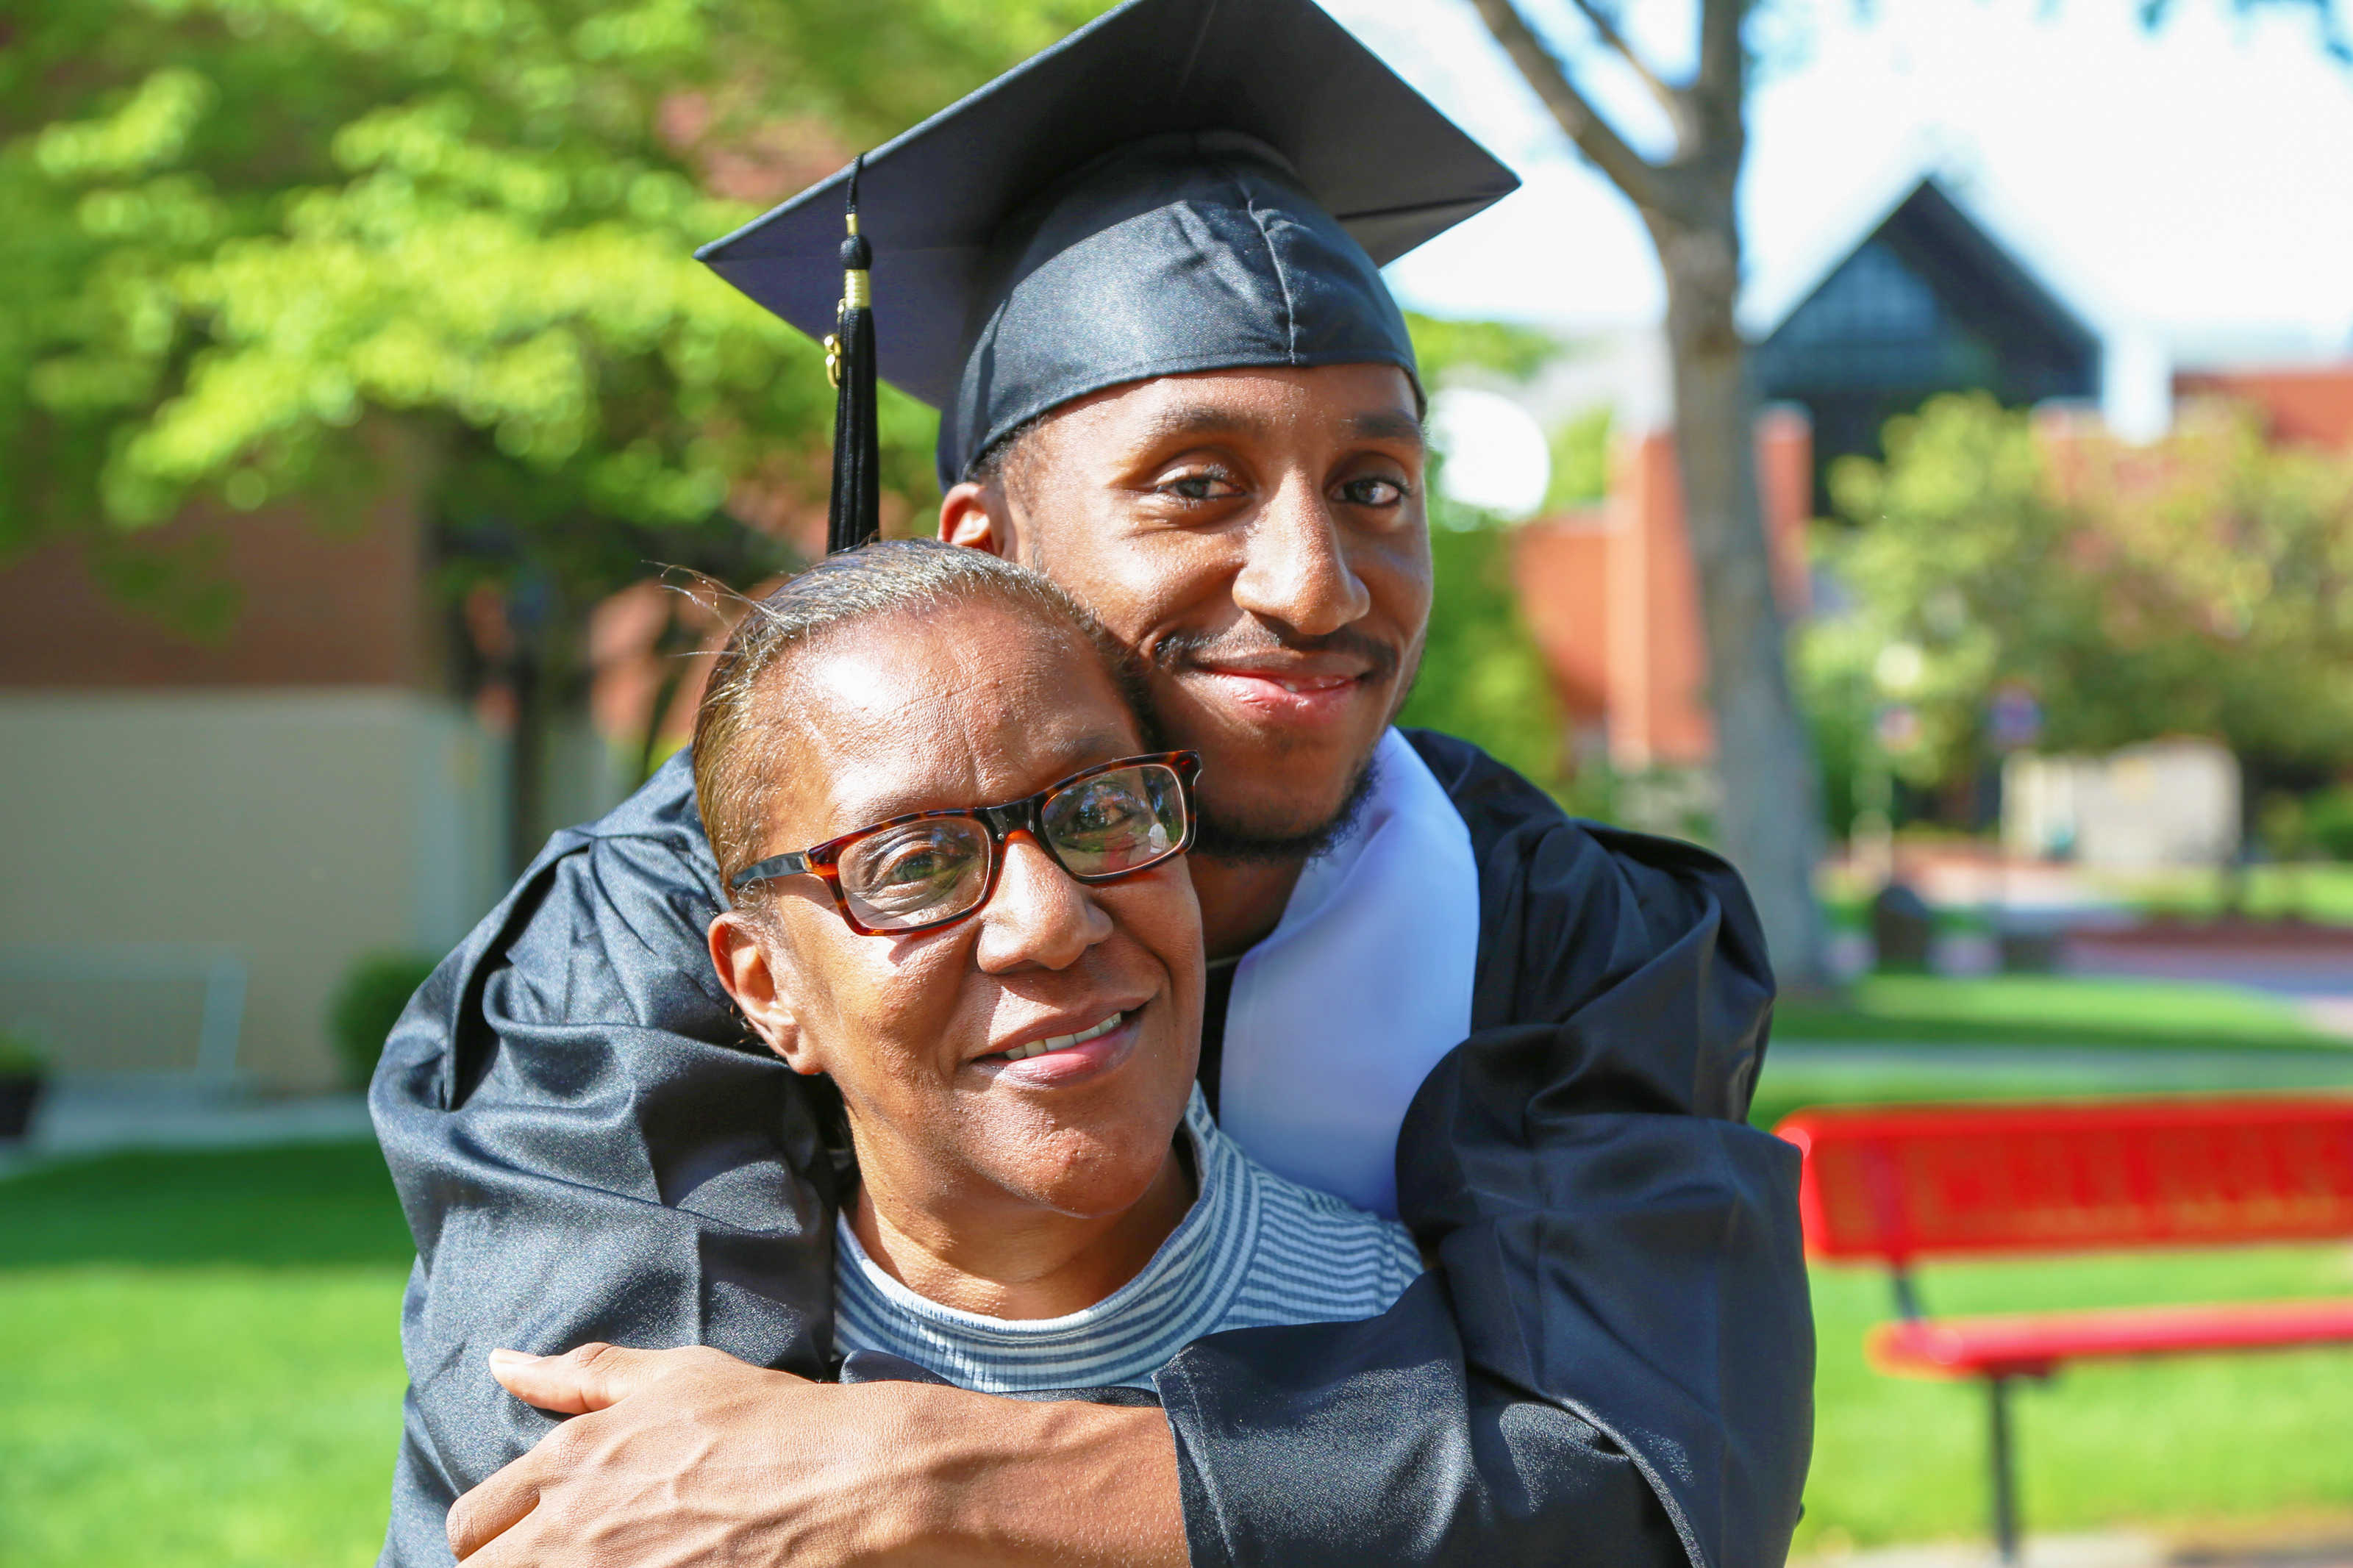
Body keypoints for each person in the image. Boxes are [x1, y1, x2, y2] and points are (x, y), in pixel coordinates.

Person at [372, 0, 1813, 1564]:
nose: (1318, 585)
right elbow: (612, 1497)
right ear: (979, 549)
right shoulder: (670, 914)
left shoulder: (1554, 927)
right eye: (1197, 485)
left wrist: (925, 1469)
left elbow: (1647, 1496)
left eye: (1375, 485)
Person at [693, 541, 1421, 1398]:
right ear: (767, 990)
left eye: (1103, 808)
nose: (1049, 923)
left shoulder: (1417, 1342)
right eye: (915, 864)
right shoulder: (682, 1437)